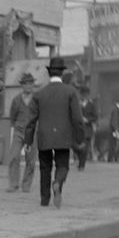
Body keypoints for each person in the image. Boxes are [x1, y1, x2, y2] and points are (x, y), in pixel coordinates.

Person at [24, 57, 84, 209]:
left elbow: (31, 121)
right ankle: (57, 183)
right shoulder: (70, 92)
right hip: (63, 137)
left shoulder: (39, 94)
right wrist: (80, 138)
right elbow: (77, 119)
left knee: (45, 167)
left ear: (49, 74)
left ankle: (44, 200)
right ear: (62, 74)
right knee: (62, 165)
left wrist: (28, 141)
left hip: (44, 137)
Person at [4, 71, 36, 193]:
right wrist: (17, 127)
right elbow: (13, 116)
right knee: (14, 157)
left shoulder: (36, 99)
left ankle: (26, 185)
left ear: (33, 85)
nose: (28, 86)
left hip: (32, 132)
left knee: (31, 160)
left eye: (30, 83)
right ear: (22, 85)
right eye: (25, 84)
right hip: (19, 131)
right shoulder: (16, 100)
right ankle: (13, 184)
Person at [75, 84, 98, 170]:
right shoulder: (77, 104)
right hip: (78, 129)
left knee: (85, 148)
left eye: (85, 95)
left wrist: (88, 120)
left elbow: (95, 116)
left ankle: (81, 165)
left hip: (87, 129)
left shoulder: (91, 105)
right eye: (82, 94)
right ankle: (78, 160)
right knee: (77, 147)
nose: (84, 96)